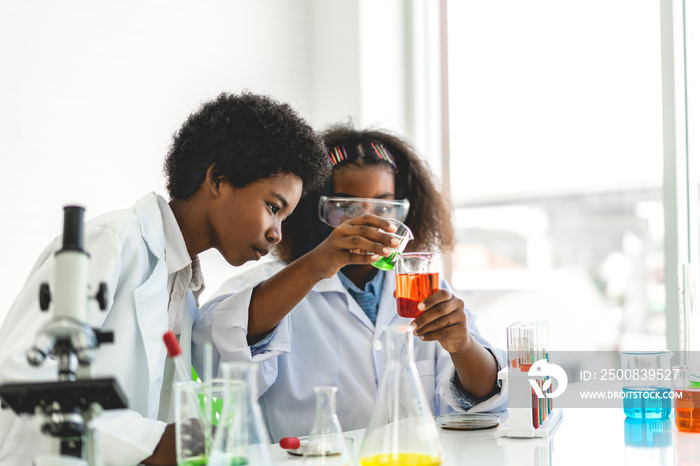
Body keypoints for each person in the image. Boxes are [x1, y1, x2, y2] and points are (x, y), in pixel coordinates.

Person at [0, 92, 330, 465]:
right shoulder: (111, 242)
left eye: (283, 219)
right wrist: (152, 442)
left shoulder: (181, 285)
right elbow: (23, 376)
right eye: (273, 208)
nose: (277, 234)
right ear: (217, 180)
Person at [194, 124, 507, 441]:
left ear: (405, 212)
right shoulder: (269, 284)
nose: (370, 221)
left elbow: (485, 396)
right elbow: (213, 344)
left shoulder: (420, 284)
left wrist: (462, 346)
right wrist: (318, 264)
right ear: (315, 210)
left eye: (385, 207)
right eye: (347, 207)